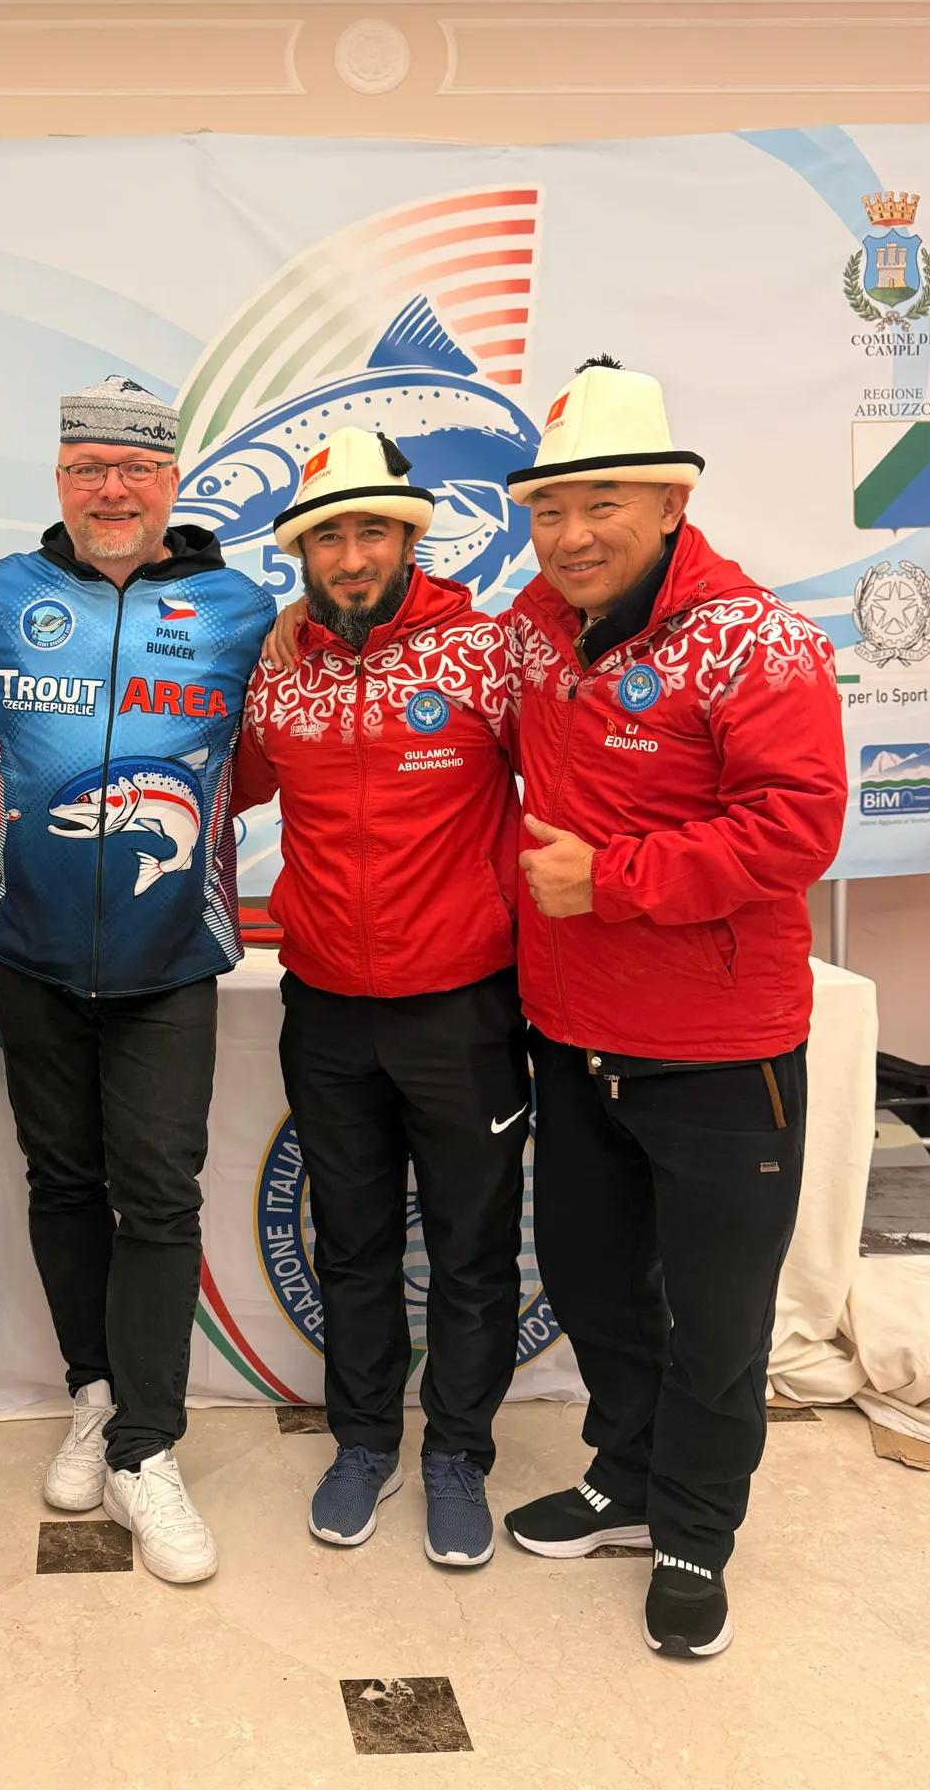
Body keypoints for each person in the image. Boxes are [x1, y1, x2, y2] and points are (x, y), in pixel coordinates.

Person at [497, 356, 846, 1660]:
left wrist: (615, 880)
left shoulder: (755, 638)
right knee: (591, 1281)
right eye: (550, 510)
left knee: (718, 1317)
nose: (572, 534)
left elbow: (796, 826)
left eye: (603, 504)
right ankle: (628, 1476)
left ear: (668, 503)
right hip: (573, 1033)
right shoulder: (532, 626)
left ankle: (696, 1531)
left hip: (716, 1047)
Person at [0, 376, 273, 1583]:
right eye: (87, 470)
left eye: (133, 470)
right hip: (29, 951)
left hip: (172, 959)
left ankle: (146, 1447)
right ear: (60, 481)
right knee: (63, 1184)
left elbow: (279, 747)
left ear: (170, 482)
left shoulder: (243, 610)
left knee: (158, 1199)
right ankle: (95, 1391)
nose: (110, 490)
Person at [232, 427, 528, 1565]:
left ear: (410, 537)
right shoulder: (281, 666)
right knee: (351, 1240)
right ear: (300, 554)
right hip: (326, 1005)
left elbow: (572, 778)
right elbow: (230, 778)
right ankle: (363, 1440)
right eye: (328, 539)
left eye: (373, 533)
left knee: (470, 1247)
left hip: (461, 1005)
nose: (351, 558)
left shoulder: (485, 651)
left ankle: (457, 1452)